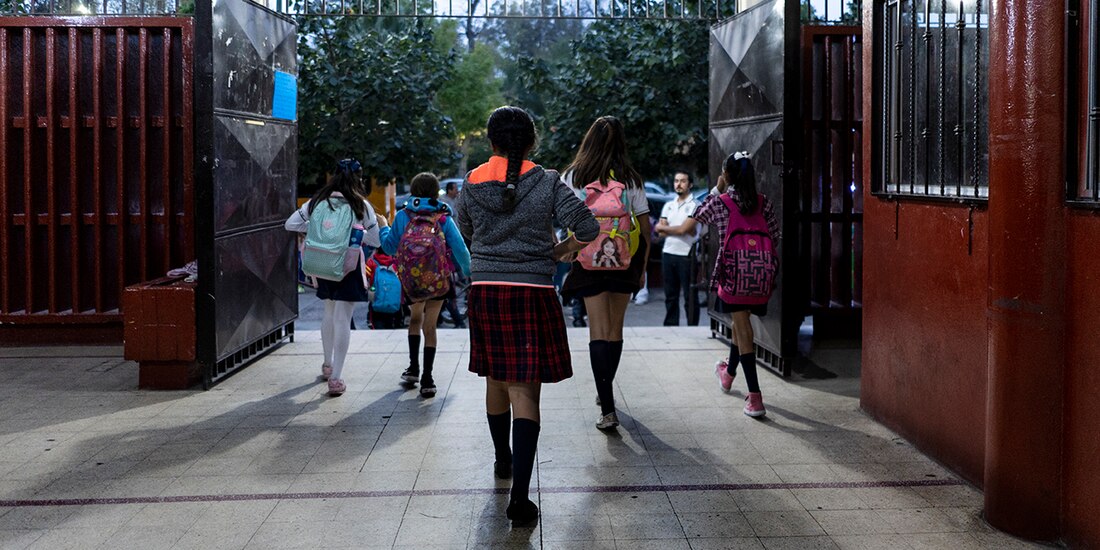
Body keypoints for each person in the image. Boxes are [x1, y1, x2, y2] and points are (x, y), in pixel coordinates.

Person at [455, 106, 599, 526]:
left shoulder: (472, 181)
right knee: (525, 393)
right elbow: (588, 228)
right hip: (533, 290)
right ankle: (519, 497)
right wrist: (555, 252)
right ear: (532, 142)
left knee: (495, 378)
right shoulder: (549, 181)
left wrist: (491, 250)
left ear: (491, 141)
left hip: (485, 289)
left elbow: (466, 228)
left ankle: (503, 459)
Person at [662, 152, 780, 417]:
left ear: (727, 175)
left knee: (743, 328)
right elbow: (775, 236)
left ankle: (755, 398)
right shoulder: (764, 202)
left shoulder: (721, 202)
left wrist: (717, 189)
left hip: (734, 275)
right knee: (740, 324)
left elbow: (693, 219)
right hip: (760, 277)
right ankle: (728, 373)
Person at [559, 115, 652, 431]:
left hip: (586, 261)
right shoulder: (631, 178)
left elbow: (561, 219)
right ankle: (606, 390)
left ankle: (607, 407)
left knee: (597, 331)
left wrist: (566, 250)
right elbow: (646, 230)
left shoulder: (574, 176)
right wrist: (640, 270)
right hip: (624, 261)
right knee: (615, 331)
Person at [285, 158, 386, 397]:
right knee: (343, 318)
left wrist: (319, 228)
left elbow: (291, 224)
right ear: (359, 178)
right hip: (348, 267)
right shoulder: (361, 205)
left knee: (329, 313)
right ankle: (337, 378)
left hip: (322, 264)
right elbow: (376, 241)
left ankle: (327, 364)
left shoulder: (317, 201)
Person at [380, 172, 471, 398]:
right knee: (430, 327)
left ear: (413, 192)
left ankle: (413, 368)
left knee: (415, 319)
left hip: (412, 280)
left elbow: (390, 248)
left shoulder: (403, 216)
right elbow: (460, 249)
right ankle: (427, 379)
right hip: (439, 280)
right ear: (434, 193)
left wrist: (383, 227)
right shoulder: (443, 217)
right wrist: (470, 273)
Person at [655, 171, 701, 326]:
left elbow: (683, 230)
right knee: (670, 295)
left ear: (690, 184)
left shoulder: (695, 205)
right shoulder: (669, 205)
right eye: (676, 181)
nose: (678, 184)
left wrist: (669, 228)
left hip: (687, 254)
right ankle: (670, 325)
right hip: (668, 253)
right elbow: (659, 232)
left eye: (682, 181)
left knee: (690, 295)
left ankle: (692, 326)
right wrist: (681, 229)